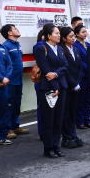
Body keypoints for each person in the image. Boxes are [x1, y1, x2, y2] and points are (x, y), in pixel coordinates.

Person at [34, 23, 68, 158]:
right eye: (56, 33)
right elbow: (46, 69)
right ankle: (48, 148)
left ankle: (56, 146)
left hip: (61, 86)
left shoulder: (60, 49)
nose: (59, 35)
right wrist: (55, 86)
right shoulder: (41, 49)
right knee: (49, 118)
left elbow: (65, 66)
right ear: (48, 36)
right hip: (48, 88)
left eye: (59, 33)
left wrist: (56, 74)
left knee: (59, 118)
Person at [1, 24, 29, 138]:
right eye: (15, 29)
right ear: (9, 33)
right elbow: (5, 63)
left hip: (18, 79)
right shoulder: (5, 46)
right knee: (9, 105)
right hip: (10, 81)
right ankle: (7, 130)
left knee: (17, 104)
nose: (18, 30)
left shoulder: (17, 44)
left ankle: (15, 126)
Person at [59, 27, 83, 149]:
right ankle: (66, 136)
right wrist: (73, 83)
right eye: (70, 36)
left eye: (74, 36)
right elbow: (65, 70)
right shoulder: (61, 50)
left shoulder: (76, 49)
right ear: (64, 38)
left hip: (76, 85)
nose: (73, 38)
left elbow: (79, 67)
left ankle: (73, 134)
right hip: (67, 85)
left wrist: (77, 82)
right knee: (66, 112)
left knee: (73, 111)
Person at [73, 24, 90, 129]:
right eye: (83, 32)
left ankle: (87, 119)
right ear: (77, 34)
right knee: (81, 99)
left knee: (88, 99)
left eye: (86, 32)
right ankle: (80, 121)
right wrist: (89, 69)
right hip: (82, 75)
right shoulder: (75, 45)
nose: (85, 34)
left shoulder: (88, 44)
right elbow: (79, 62)